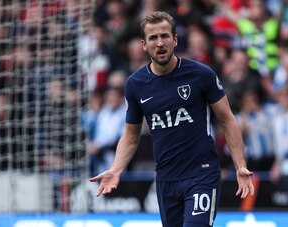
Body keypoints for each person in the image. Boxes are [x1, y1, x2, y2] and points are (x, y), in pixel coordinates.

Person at [90, 11, 254, 227]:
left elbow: (227, 120)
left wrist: (239, 165)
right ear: (143, 44)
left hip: (201, 174)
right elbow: (131, 136)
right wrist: (115, 169)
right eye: (153, 38)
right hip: (166, 179)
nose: (160, 43)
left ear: (175, 39)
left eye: (165, 36)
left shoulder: (201, 75)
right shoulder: (135, 84)